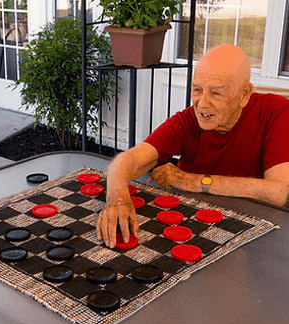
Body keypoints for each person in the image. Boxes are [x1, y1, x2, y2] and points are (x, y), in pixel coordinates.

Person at [97, 44, 289, 248]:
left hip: (250, 238)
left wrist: (195, 181)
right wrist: (116, 196)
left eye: (216, 93)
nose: (202, 104)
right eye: (197, 90)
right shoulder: (188, 121)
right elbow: (128, 160)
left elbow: (281, 192)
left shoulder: (276, 113)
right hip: (187, 229)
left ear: (244, 94)